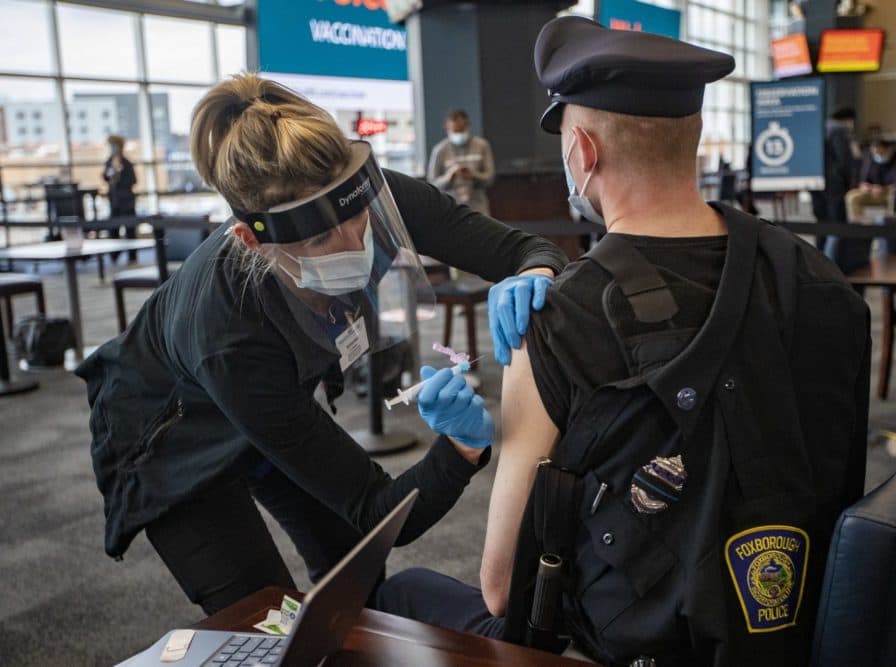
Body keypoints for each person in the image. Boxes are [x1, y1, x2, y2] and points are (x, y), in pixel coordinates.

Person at [377, 17, 871, 666]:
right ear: (690, 138)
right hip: (794, 621)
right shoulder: (819, 279)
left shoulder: (560, 320)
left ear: (583, 151)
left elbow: (502, 588)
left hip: (640, 642)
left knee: (403, 591)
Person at [75, 74, 566, 615]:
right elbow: (378, 509)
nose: (353, 245)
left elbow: (526, 248)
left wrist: (537, 273)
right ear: (251, 239)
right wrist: (460, 450)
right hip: (166, 438)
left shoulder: (367, 191)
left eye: (357, 221)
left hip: (266, 400)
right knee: (262, 618)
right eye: (319, 239)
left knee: (352, 568)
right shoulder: (227, 336)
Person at [427, 109, 496, 214]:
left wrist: (473, 175)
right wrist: (449, 177)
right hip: (450, 208)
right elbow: (432, 184)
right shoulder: (440, 150)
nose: (458, 134)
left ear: (467, 126)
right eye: (455, 131)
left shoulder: (482, 146)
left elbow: (490, 178)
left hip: (478, 207)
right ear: (447, 129)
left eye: (461, 130)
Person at [811, 106, 858, 224]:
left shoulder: (819, 126)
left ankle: (821, 242)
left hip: (815, 177)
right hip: (834, 179)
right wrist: (850, 182)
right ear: (849, 119)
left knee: (821, 217)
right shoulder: (839, 129)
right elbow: (843, 158)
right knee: (836, 218)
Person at [844, 139, 896, 222]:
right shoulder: (872, 159)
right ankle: (858, 228)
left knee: (894, 197)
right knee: (851, 197)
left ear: (889, 149)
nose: (877, 156)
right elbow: (864, 180)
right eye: (875, 153)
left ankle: (892, 228)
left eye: (880, 153)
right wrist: (866, 186)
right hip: (873, 192)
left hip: (889, 193)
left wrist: (884, 189)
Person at [103, 135, 138, 263]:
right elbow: (105, 177)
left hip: (127, 201)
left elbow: (133, 180)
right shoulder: (109, 162)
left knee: (130, 229)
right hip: (114, 201)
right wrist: (111, 172)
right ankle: (114, 255)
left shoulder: (126, 163)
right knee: (113, 229)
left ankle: (132, 257)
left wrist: (120, 174)